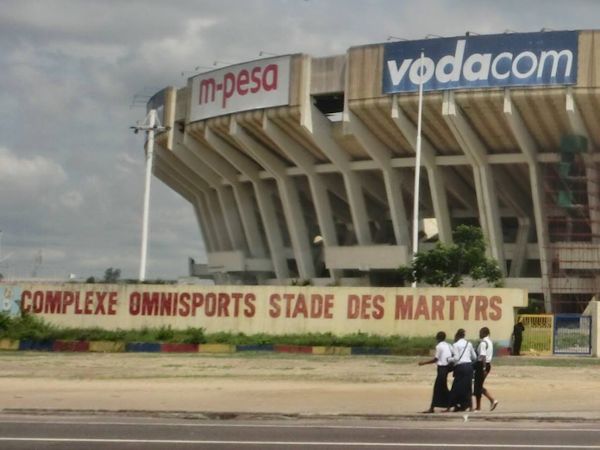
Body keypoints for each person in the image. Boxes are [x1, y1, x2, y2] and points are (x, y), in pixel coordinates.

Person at [418, 331, 452, 413]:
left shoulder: (439, 346)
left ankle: (432, 408)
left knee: (438, 388)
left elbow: (435, 359)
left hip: (442, 369)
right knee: (442, 387)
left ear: (438, 338)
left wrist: (423, 363)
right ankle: (448, 405)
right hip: (447, 368)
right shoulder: (448, 345)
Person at [447, 328, 477, 412]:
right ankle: (470, 407)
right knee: (468, 387)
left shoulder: (456, 345)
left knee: (456, 387)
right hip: (469, 367)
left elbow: (456, 358)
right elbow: (474, 357)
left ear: (457, 335)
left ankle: (450, 406)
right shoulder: (469, 344)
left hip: (460, 367)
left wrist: (449, 359)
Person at [473, 327, 499, 411]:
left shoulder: (483, 343)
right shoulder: (489, 342)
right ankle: (489, 401)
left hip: (482, 365)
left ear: (484, 333)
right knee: (478, 385)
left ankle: (489, 401)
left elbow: (483, 356)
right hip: (487, 365)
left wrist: (483, 368)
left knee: (478, 386)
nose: (479, 334)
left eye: (480, 332)